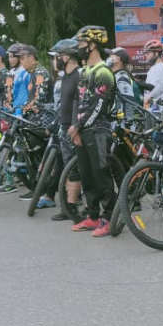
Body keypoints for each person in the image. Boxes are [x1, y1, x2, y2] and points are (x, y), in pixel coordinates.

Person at [68, 25, 117, 237]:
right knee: (87, 176)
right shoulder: (85, 71)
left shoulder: (104, 72)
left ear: (92, 45)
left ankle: (109, 218)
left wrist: (78, 126)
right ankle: (93, 215)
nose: (78, 48)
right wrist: (74, 127)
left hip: (98, 130)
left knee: (101, 176)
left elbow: (99, 106)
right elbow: (78, 102)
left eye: (81, 44)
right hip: (82, 131)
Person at [42, 38, 81, 216]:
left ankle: (72, 207)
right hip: (63, 126)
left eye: (57, 56)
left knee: (73, 169)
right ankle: (68, 206)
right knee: (67, 168)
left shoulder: (79, 76)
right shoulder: (65, 77)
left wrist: (75, 126)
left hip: (73, 129)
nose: (55, 60)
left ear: (66, 57)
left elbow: (79, 104)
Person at [107, 47, 141, 115]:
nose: (108, 58)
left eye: (111, 55)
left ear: (118, 59)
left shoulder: (122, 77)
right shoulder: (116, 75)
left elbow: (129, 103)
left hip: (121, 121)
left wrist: (128, 122)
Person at [142, 39, 163, 108]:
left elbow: (153, 88)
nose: (145, 56)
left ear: (156, 53)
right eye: (145, 53)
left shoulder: (159, 68)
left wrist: (138, 83)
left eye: (148, 53)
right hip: (152, 106)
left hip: (158, 108)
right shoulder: (154, 67)